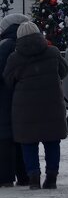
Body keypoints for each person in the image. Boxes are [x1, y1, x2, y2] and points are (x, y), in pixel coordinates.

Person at [3, 21, 68, 190]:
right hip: (51, 106)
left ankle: (33, 178)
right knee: (52, 142)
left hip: (25, 110)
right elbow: (64, 71)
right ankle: (52, 177)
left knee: (28, 144)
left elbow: (8, 80)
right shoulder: (52, 52)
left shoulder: (14, 57)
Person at [0, 14, 33, 187]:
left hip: (5, 97)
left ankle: (5, 177)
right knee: (21, 137)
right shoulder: (23, 44)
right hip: (20, 96)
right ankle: (24, 175)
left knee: (5, 138)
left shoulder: (6, 45)